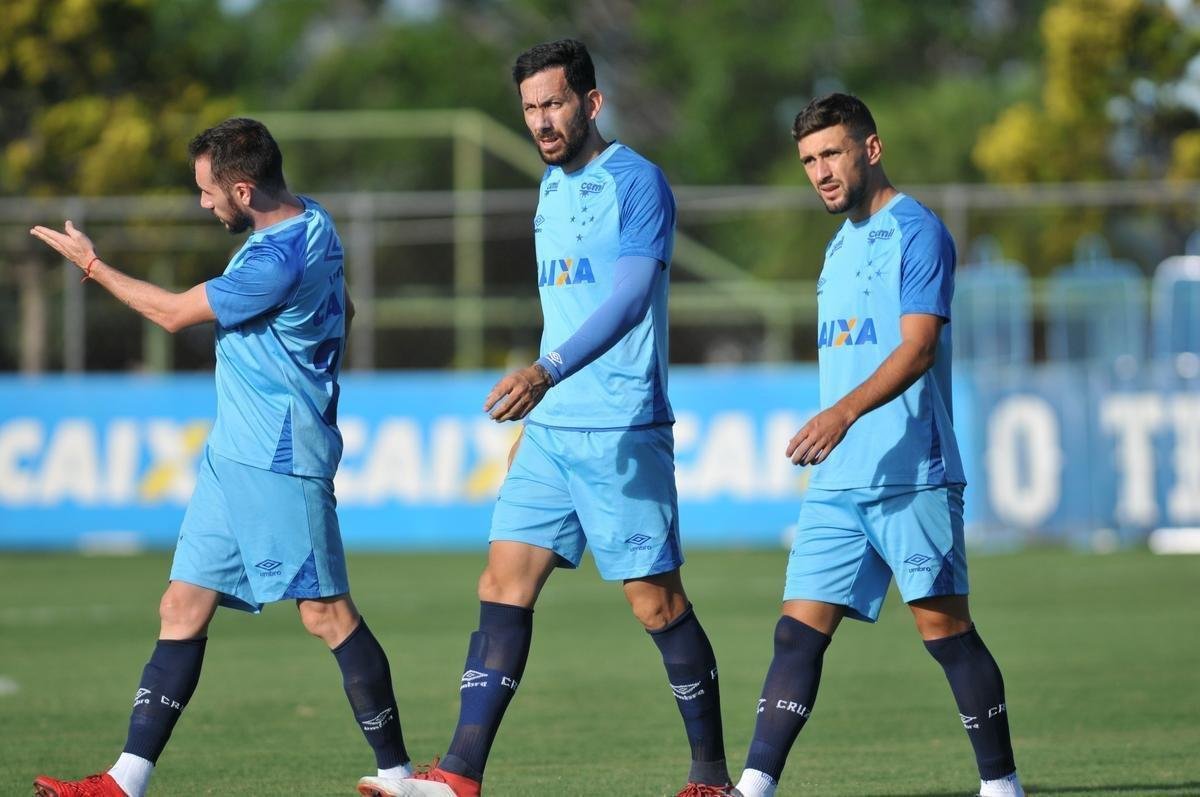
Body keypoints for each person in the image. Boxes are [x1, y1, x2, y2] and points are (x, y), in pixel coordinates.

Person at [355, 39, 730, 797]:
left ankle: (712, 778)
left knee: (656, 603)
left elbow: (630, 298)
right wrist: (542, 402)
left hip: (622, 428)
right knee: (503, 581)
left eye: (553, 104)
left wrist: (544, 370)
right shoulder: (550, 188)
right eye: (529, 108)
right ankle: (459, 774)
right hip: (553, 432)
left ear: (591, 103)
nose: (540, 121)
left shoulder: (637, 182)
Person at [29, 118, 411, 797]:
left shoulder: (274, 262)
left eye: (208, 192)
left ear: (243, 190)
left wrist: (91, 265)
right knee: (181, 606)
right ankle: (125, 781)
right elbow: (346, 309)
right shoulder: (313, 218)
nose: (204, 203)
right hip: (233, 451)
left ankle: (399, 776)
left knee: (326, 614)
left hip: (278, 454)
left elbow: (173, 313)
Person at [730, 94, 1024, 797]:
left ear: (871, 148)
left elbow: (918, 348)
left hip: (911, 472)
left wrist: (842, 414)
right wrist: (838, 427)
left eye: (831, 153)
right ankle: (754, 787)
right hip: (839, 481)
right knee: (796, 635)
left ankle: (1002, 786)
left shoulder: (917, 232)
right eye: (809, 160)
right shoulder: (838, 246)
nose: (821, 172)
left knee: (945, 632)